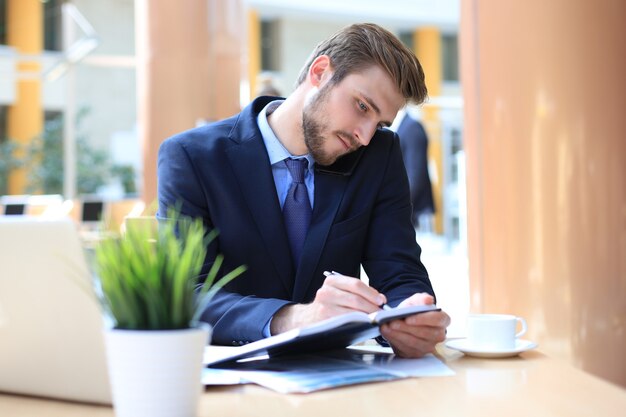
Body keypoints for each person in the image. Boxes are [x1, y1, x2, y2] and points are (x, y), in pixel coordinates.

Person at [157, 23, 450, 358]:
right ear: (320, 72)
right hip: (231, 382)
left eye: (380, 123)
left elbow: (399, 271)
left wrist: (409, 317)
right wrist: (292, 318)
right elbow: (186, 294)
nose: (366, 136)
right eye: (363, 107)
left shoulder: (378, 156)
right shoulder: (192, 157)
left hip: (339, 381)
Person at [395, 110, 435, 229]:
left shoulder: (412, 128)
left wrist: (398, 207)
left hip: (414, 212)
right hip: (408, 211)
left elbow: (415, 176)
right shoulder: (404, 127)